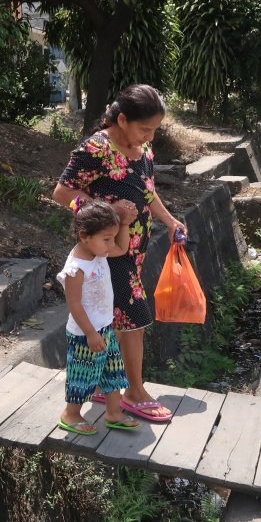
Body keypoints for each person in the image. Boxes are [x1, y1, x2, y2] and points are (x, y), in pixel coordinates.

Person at [53, 84, 187, 423]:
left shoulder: (142, 151)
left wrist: (170, 222)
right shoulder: (95, 149)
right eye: (145, 129)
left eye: (154, 130)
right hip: (109, 252)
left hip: (135, 250)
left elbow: (148, 192)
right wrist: (108, 210)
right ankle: (134, 392)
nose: (148, 136)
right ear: (122, 119)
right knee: (136, 319)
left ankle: (106, 388)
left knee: (115, 321)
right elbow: (62, 193)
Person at [56, 200, 141, 436]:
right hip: (86, 334)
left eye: (111, 238)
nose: (110, 244)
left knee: (113, 371)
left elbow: (122, 248)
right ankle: (70, 414)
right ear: (84, 236)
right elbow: (74, 304)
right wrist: (91, 333)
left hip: (104, 328)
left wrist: (123, 224)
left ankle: (113, 412)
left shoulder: (98, 250)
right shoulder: (76, 267)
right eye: (106, 239)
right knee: (83, 375)